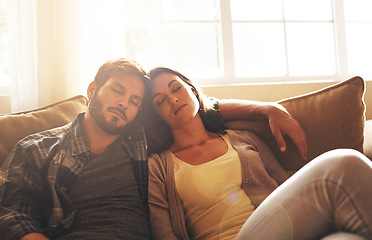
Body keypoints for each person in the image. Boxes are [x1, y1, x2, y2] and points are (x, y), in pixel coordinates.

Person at [0, 58, 307, 240]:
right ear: (92, 90)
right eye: (117, 91)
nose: (124, 103)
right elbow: (12, 212)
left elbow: (190, 108)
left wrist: (268, 109)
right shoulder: (39, 148)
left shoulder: (142, 140)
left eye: (135, 101)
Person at [145, 67, 372, 240]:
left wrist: (269, 109)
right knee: (344, 163)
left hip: (280, 227)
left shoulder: (243, 138)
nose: (173, 99)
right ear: (156, 116)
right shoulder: (158, 166)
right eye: (160, 101)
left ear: (193, 91)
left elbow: (286, 187)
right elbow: (165, 235)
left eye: (176, 88)